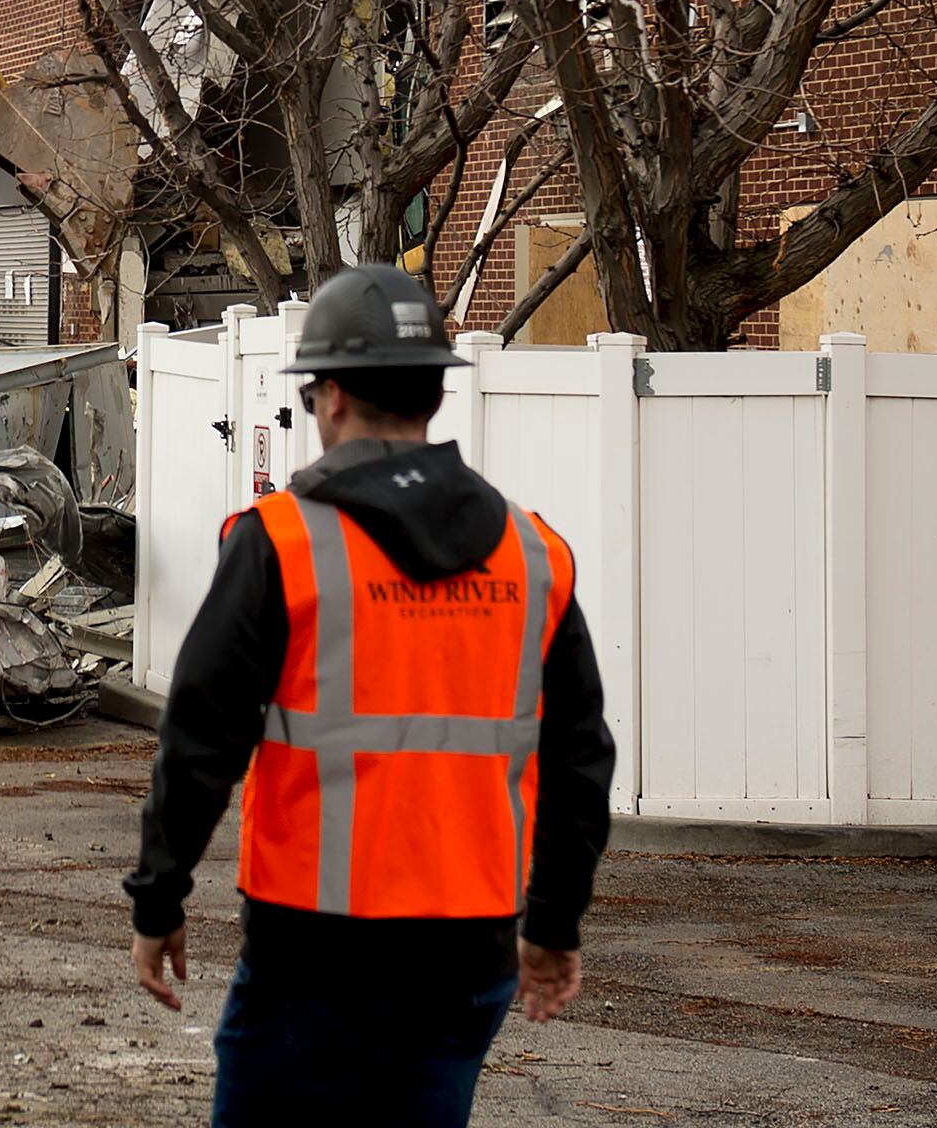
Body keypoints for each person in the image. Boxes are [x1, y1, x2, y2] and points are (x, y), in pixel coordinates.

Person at [123, 264, 615, 1126]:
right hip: (471, 944)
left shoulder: (281, 540)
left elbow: (202, 735)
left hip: (313, 942)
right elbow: (580, 759)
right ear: (434, 394)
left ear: (333, 396)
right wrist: (554, 924)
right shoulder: (532, 554)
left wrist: (160, 897)